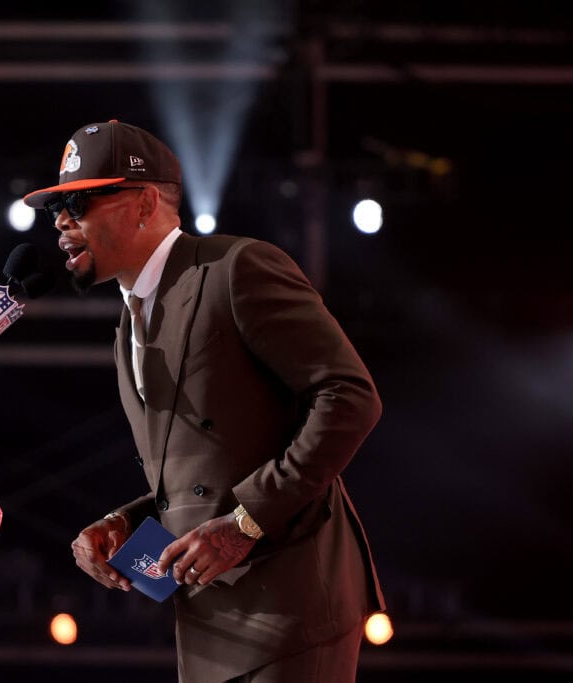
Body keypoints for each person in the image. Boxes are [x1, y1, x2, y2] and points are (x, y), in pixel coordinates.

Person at [22, 120, 384, 682]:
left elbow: (349, 397)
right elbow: (201, 470)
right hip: (211, 624)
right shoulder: (129, 322)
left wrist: (243, 523)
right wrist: (126, 521)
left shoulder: (235, 268)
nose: (63, 223)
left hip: (290, 608)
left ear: (144, 203)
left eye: (81, 202)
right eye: (56, 211)